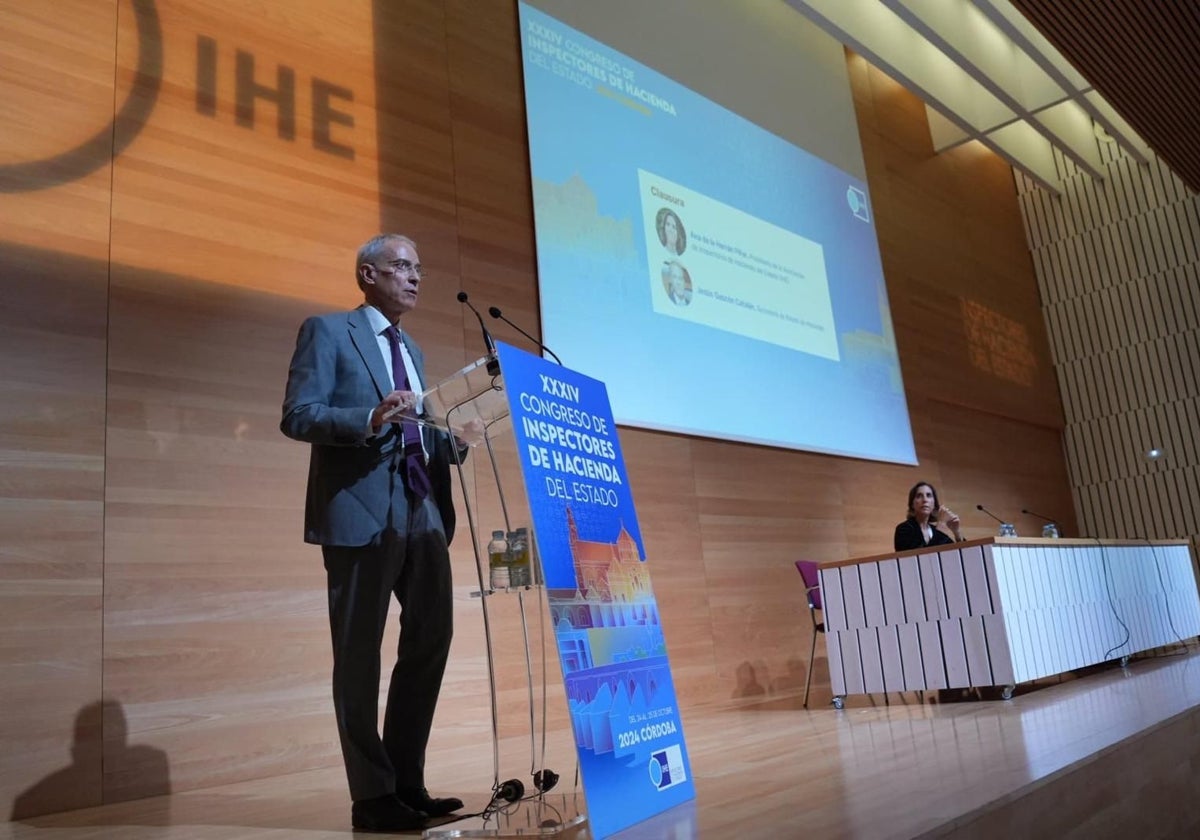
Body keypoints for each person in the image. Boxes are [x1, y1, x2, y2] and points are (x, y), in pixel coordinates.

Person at [281, 234, 465, 833]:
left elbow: (417, 427)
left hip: (423, 508)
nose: (414, 277)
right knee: (359, 657)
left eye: (419, 267)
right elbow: (298, 415)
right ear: (367, 274)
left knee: (430, 641)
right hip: (361, 513)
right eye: (402, 266)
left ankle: (405, 782)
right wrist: (369, 417)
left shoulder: (412, 347)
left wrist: (450, 441)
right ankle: (372, 796)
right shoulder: (328, 332)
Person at [894, 481, 964, 551]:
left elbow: (960, 555)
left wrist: (957, 532)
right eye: (919, 496)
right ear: (912, 504)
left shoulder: (935, 530)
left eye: (929, 495)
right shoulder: (903, 529)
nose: (925, 500)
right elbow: (920, 557)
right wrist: (942, 524)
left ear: (934, 504)